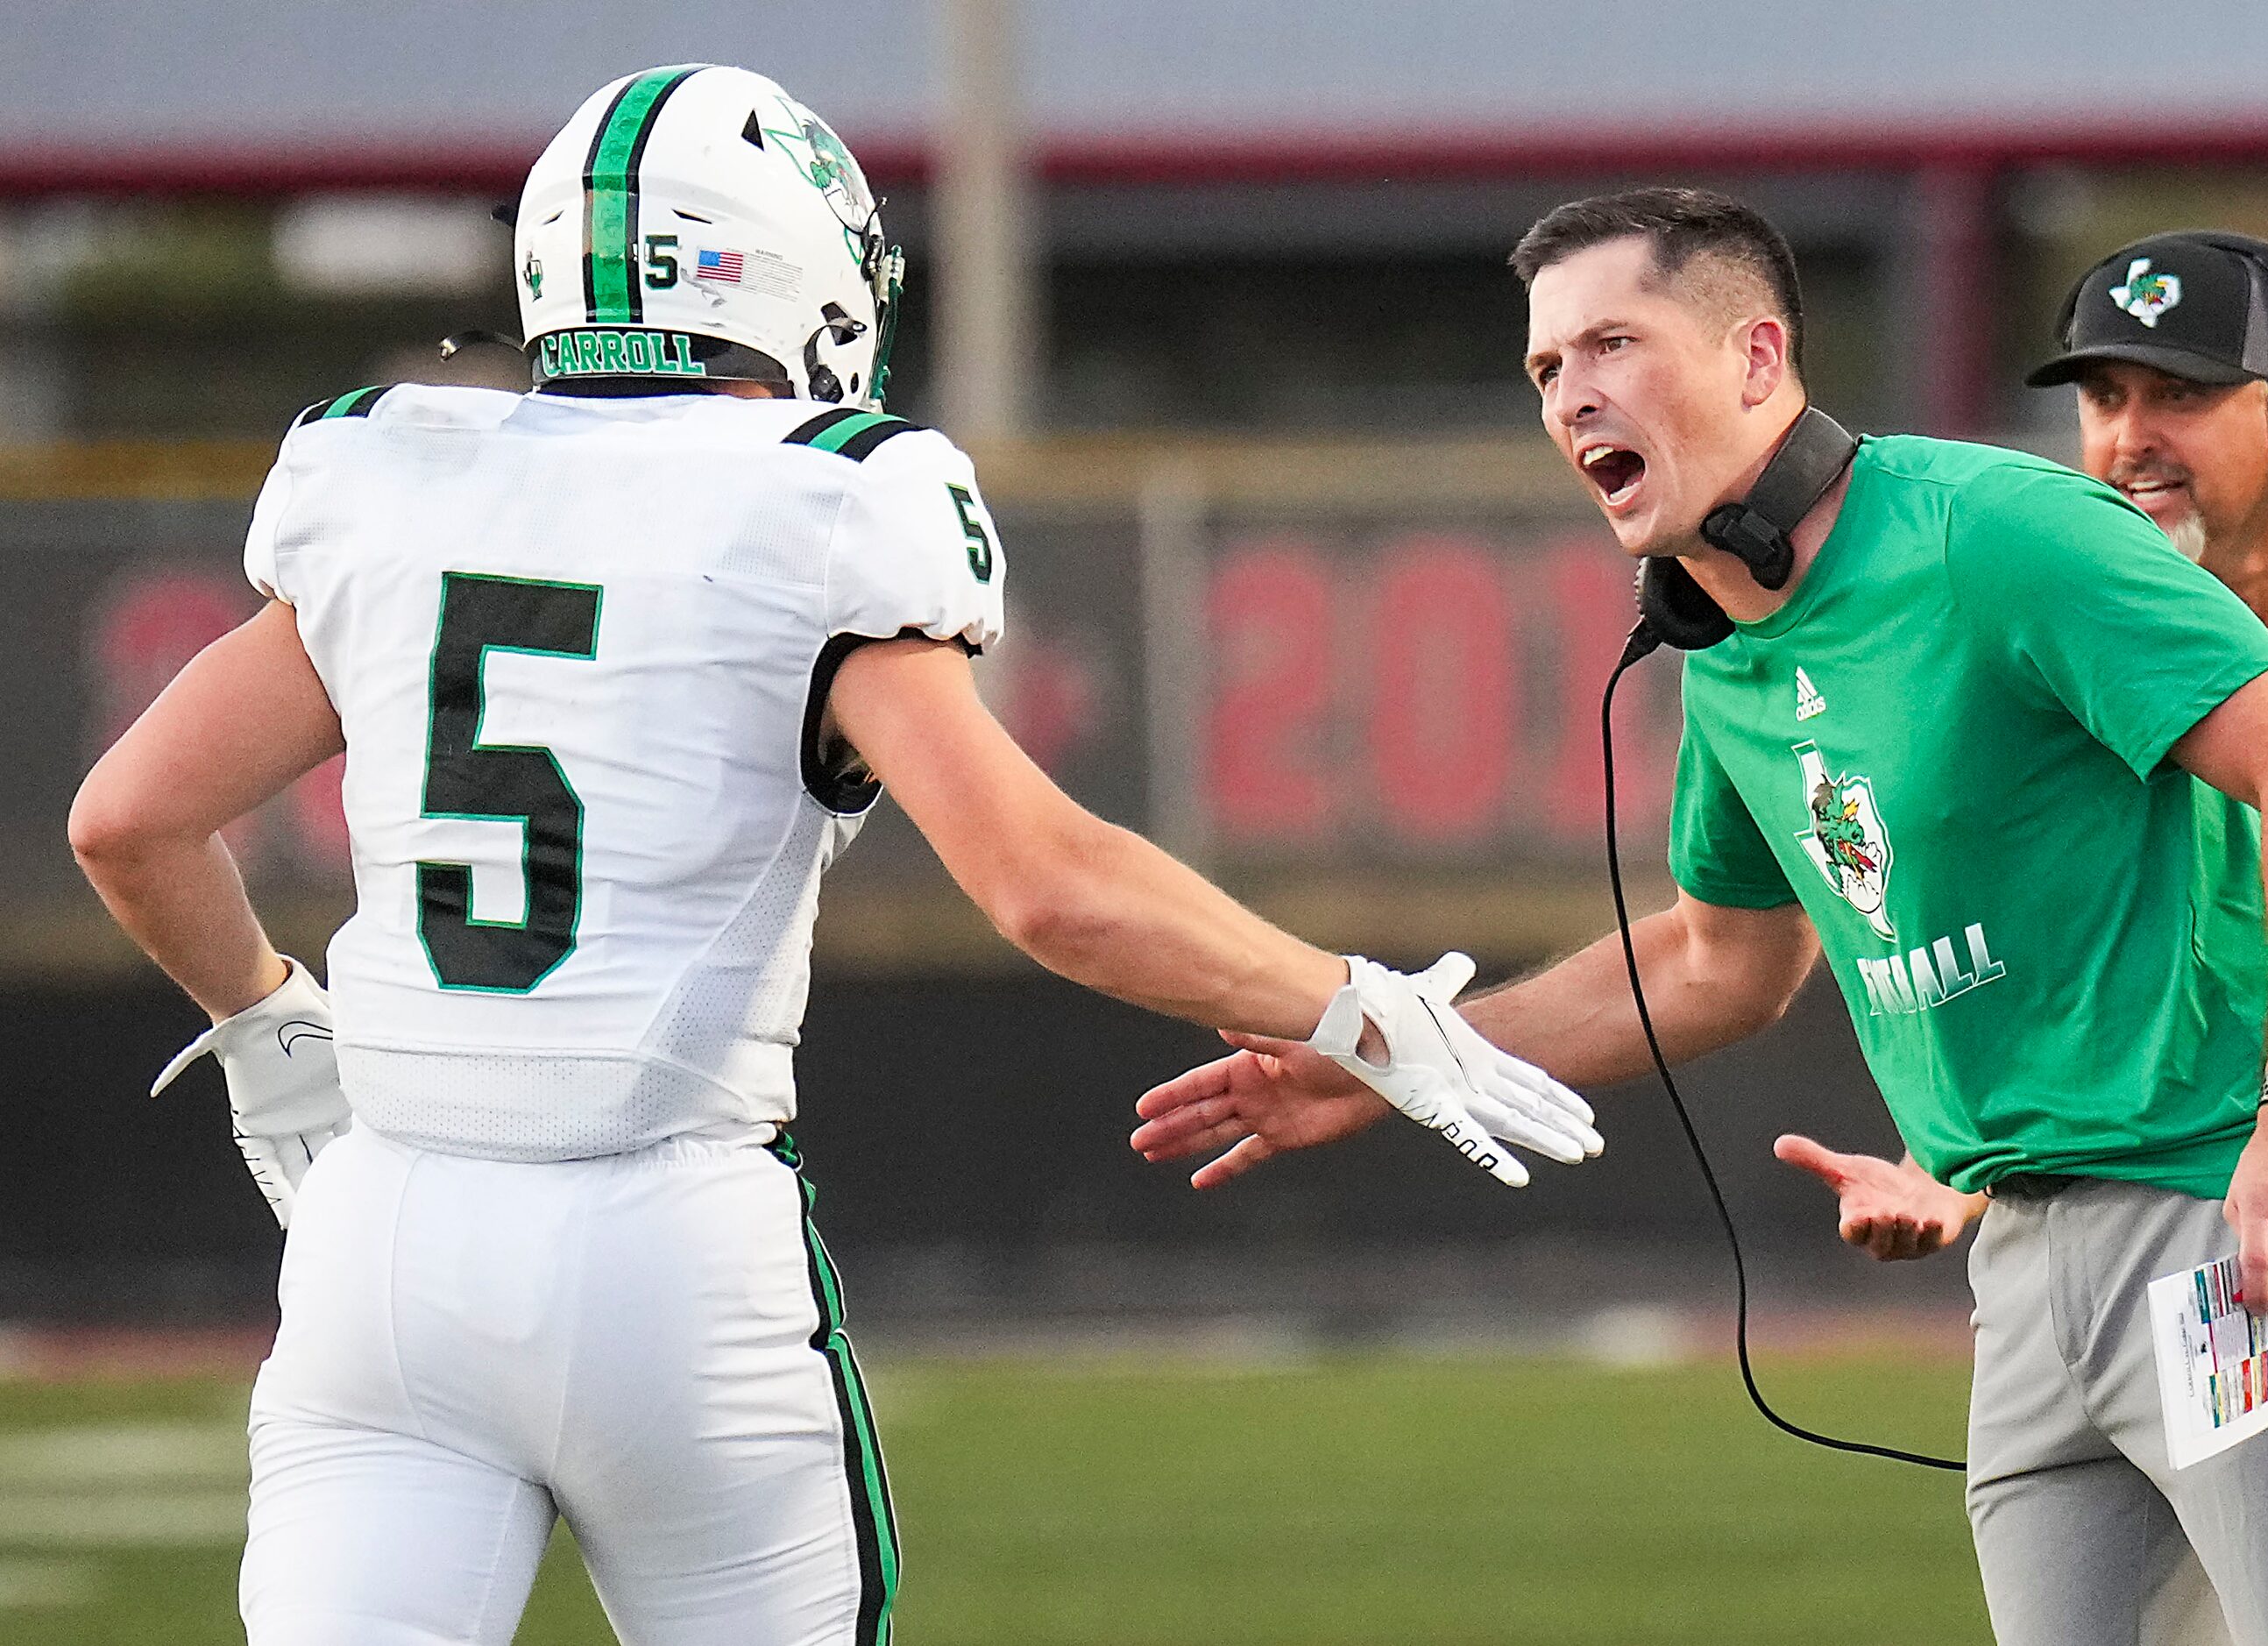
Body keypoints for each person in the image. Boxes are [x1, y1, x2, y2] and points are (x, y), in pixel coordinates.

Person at [67, 65, 1598, 1646]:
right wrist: (1354, 1003)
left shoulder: (393, 479)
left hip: (377, 1245)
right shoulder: (817, 500)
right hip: (663, 1246)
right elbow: (1048, 883)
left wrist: (264, 1021)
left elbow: (128, 820)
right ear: (785, 266)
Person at [1130, 187, 2268, 1644]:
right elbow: (1719, 959)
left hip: (2231, 1216)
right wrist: (1394, 1050)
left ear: (1757, 359)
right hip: (2024, 1266)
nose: (1573, 395)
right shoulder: (1732, 647)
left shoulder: (1994, 531)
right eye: (1544, 369)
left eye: (1611, 345)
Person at [1775, 219, 2268, 1459]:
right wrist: (1963, 1168)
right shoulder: (2047, 646)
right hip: (2257, 1233)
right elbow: (2085, 993)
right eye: (2102, 393)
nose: (2127, 437)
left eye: (2183, 393)